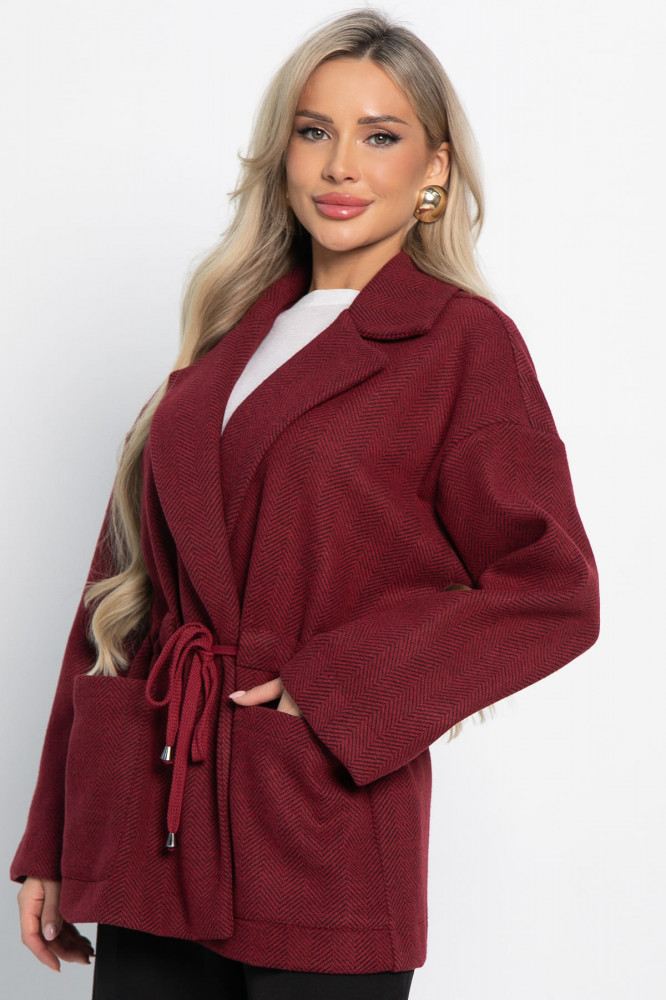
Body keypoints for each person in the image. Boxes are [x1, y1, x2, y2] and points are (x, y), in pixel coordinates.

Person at [11, 7, 600, 999]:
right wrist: (55, 835)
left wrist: (334, 693)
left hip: (322, 832)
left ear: (435, 169)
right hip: (152, 827)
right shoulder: (223, 340)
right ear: (282, 153)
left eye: (381, 135)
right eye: (315, 130)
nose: (340, 165)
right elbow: (118, 587)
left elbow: (555, 589)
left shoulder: (462, 344)